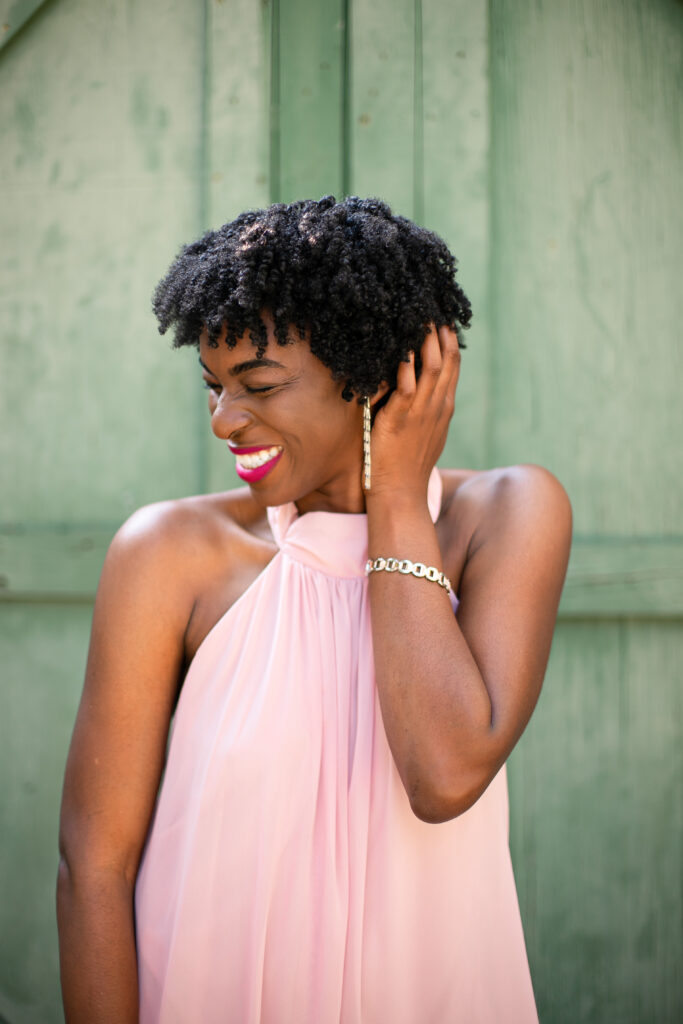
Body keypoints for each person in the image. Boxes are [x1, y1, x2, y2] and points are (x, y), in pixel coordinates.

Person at [57, 195, 572, 1023]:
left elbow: (442, 774)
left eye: (257, 384)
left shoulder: (508, 516)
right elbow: (95, 866)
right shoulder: (167, 554)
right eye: (213, 386)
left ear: (376, 375)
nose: (225, 419)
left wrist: (398, 492)